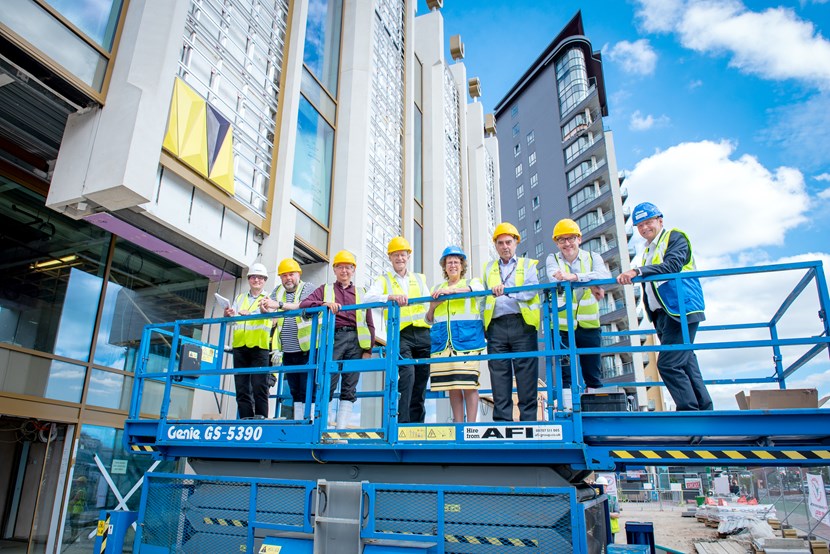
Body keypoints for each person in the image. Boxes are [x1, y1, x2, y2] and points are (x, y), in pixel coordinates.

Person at [617, 202, 713, 411]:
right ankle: (704, 409)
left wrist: (637, 271)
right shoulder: (649, 250)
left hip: (682, 309)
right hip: (663, 313)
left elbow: (672, 265)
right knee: (686, 362)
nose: (644, 228)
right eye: (639, 225)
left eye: (648, 222)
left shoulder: (675, 237)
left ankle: (689, 411)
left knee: (668, 364)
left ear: (660, 220)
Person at [300, 250, 375, 428]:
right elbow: (305, 304)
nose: (344, 271)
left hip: (356, 341)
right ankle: (323, 427)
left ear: (353, 270)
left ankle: (340, 430)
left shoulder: (361, 292)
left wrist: (368, 350)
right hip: (334, 338)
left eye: (348, 268)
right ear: (334, 270)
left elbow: (369, 322)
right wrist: (323, 304)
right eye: (340, 267)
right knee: (328, 381)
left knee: (350, 385)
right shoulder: (324, 290)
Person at [364, 237, 431, 423]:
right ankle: (403, 423)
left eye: (403, 254)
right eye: (395, 255)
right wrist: (390, 297)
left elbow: (428, 303)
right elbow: (368, 299)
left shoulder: (419, 278)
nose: (399, 258)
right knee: (407, 375)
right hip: (401, 335)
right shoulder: (383, 280)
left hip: (423, 333)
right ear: (390, 258)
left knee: (421, 378)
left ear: (408, 256)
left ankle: (418, 424)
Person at [546, 218, 611, 408]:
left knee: (593, 372)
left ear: (579, 239)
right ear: (557, 243)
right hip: (562, 327)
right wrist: (590, 282)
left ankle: (596, 412)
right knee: (565, 373)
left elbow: (604, 276)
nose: (567, 243)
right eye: (561, 240)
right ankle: (568, 411)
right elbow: (554, 277)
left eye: (571, 238)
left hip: (589, 325)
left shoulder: (593, 257)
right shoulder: (553, 259)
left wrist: (575, 277)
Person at [482, 222, 541, 421]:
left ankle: (529, 420)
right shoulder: (488, 268)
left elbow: (532, 289)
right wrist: (484, 325)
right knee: (499, 375)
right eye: (500, 243)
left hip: (522, 324)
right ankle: (502, 421)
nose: (505, 246)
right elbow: (483, 299)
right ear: (496, 246)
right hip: (496, 326)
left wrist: (508, 291)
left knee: (526, 374)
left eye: (508, 242)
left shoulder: (528, 265)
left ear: (516, 243)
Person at [425, 246, 486, 423]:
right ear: (444, 266)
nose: (452, 265)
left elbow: (476, 290)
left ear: (462, 265)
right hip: (444, 342)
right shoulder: (436, 287)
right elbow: (429, 319)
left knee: (469, 384)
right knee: (452, 386)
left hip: (467, 341)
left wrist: (450, 292)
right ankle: (459, 424)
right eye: (449, 262)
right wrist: (433, 306)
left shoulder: (472, 282)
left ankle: (471, 425)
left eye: (456, 262)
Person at [262, 258, 315, 420]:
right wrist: (264, 308)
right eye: (284, 276)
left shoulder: (308, 288)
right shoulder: (277, 291)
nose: (288, 279)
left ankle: (310, 421)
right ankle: (300, 422)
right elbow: (270, 313)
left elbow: (303, 305)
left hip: (308, 348)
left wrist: (277, 304)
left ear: (298, 274)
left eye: (291, 274)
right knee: (294, 388)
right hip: (288, 349)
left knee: (308, 386)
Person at [224, 262, 272, 419]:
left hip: (259, 347)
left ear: (264, 280)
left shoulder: (269, 298)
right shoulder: (240, 298)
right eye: (253, 277)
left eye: (260, 278)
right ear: (249, 279)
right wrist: (229, 315)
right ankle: (245, 419)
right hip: (240, 347)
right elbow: (233, 323)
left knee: (260, 385)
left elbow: (273, 320)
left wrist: (251, 314)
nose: (256, 280)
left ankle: (261, 419)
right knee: (242, 386)